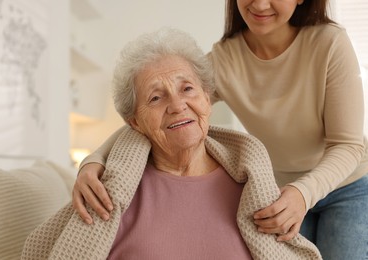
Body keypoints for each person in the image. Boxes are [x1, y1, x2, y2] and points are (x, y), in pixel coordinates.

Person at [73, 0, 368, 259]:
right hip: (278, 191)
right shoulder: (224, 59)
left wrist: (303, 193)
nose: (260, 4)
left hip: (347, 186)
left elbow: (348, 145)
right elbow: (157, 115)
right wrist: (94, 159)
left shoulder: (329, 43)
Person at [21, 28, 321, 259]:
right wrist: (92, 161)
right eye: (155, 97)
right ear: (134, 122)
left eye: (187, 89)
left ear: (207, 98)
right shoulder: (112, 192)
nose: (177, 105)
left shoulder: (249, 183)